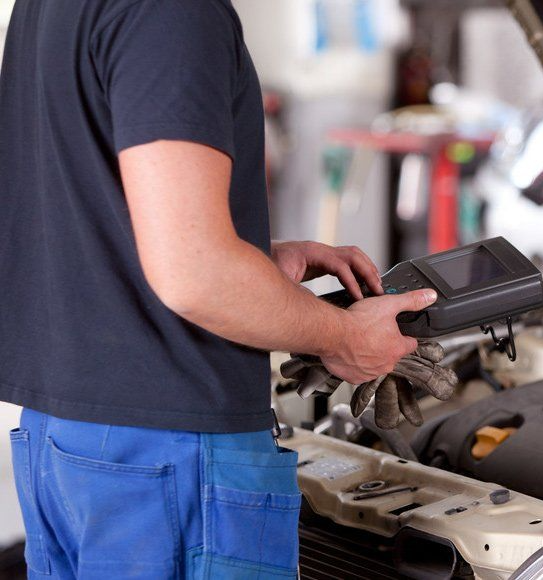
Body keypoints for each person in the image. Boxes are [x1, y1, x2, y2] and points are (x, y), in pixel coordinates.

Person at [0, 0, 435, 577]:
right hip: (169, 451)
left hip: (68, 436)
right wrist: (343, 336)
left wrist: (259, 262)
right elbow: (195, 274)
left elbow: (88, 207)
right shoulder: (174, 12)